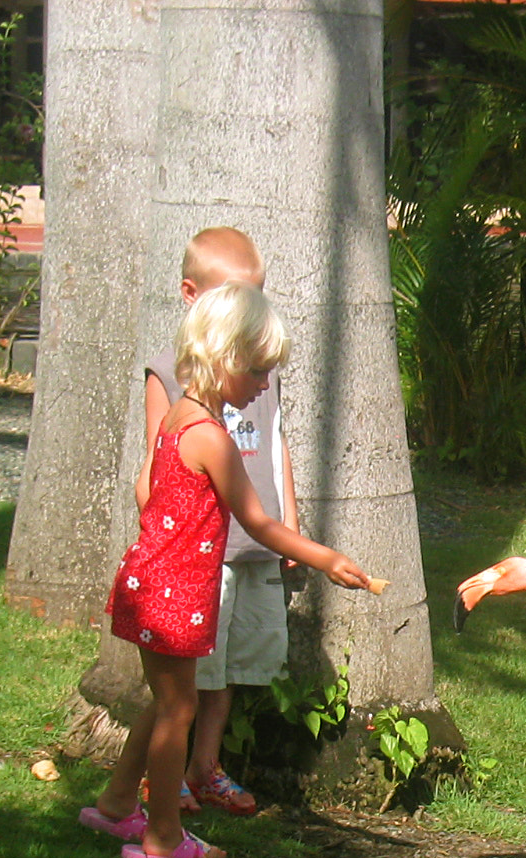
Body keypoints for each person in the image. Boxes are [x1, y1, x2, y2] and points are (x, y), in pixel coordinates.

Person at [80, 283, 370, 858]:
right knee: (178, 710)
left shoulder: (179, 417)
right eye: (259, 371)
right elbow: (259, 522)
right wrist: (325, 557)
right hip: (175, 591)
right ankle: (163, 838)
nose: (265, 384)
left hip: (147, 583)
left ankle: (116, 804)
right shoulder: (211, 436)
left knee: (162, 701)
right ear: (225, 360)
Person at [138, 227, 294, 816]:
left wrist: (291, 528)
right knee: (187, 682)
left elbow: (279, 452)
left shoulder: (258, 371)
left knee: (229, 668)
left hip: (253, 544)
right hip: (200, 556)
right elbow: (157, 468)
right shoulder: (176, 385)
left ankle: (205, 767)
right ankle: (166, 783)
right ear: (192, 296)